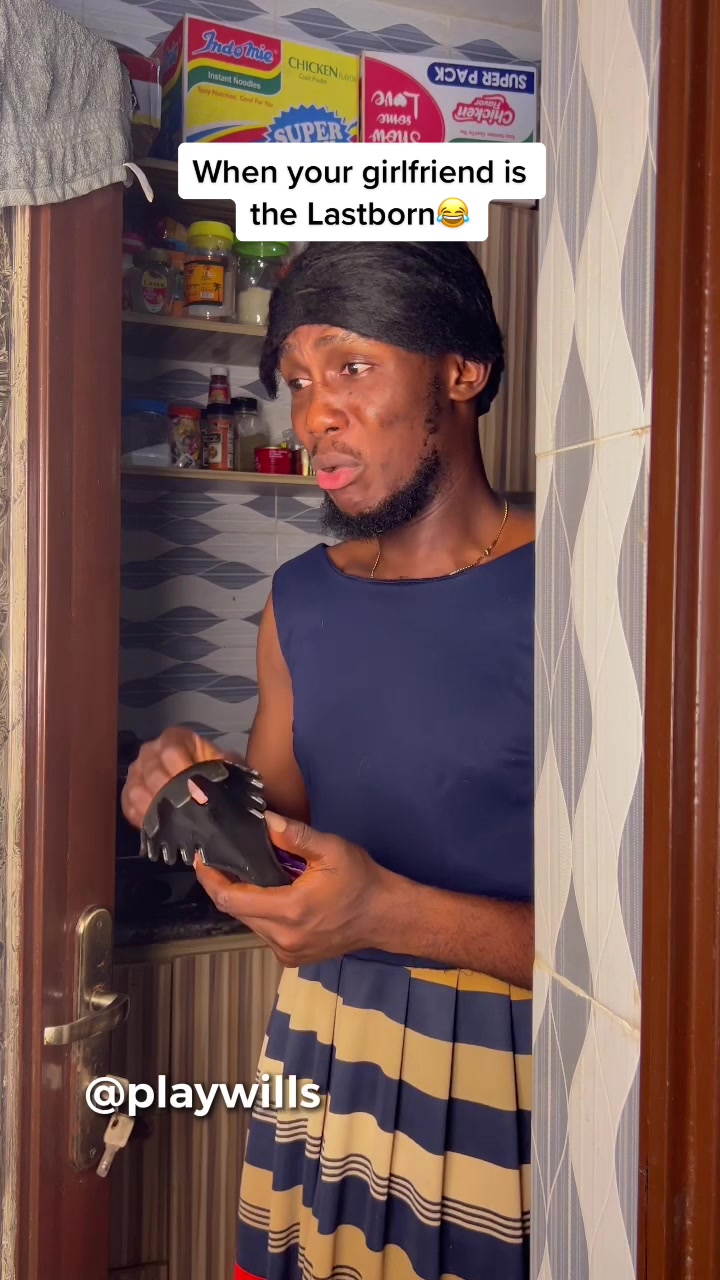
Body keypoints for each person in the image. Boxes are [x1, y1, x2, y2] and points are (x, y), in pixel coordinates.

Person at [122, 240, 534, 1280]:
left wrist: (389, 912)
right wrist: (194, 788)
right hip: (323, 1058)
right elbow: (281, 846)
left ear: (462, 371)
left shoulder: (580, 582)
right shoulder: (298, 598)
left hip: (510, 1076)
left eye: (351, 367)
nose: (313, 418)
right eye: (298, 382)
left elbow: (659, 958)